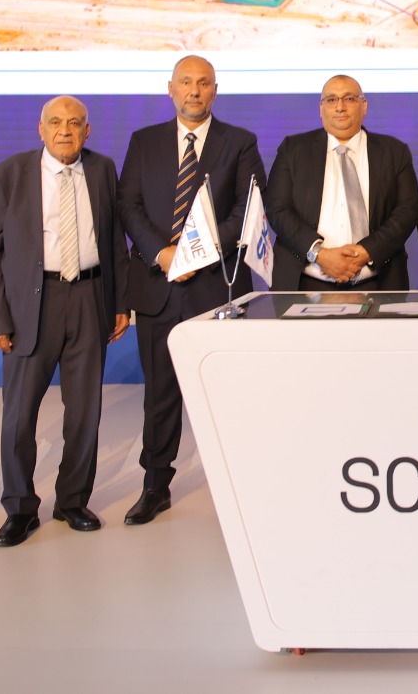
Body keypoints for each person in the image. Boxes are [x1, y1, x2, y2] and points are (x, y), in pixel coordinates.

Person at [118, 55, 265, 526]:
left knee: (226, 393)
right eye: (186, 82)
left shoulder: (240, 142)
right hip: (159, 285)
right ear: (171, 88)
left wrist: (196, 254)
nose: (194, 91)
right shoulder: (144, 141)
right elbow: (129, 205)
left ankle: (240, 486)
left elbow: (247, 208)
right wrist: (163, 255)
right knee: (160, 394)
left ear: (214, 90)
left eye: (203, 83)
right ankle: (155, 486)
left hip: (216, 287)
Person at [0, 96, 129, 547]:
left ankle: (72, 500)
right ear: (40, 129)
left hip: (89, 297)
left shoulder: (102, 170)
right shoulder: (8, 175)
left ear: (88, 131)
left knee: (84, 411)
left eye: (75, 123)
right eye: (56, 122)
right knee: (18, 416)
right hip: (30, 304)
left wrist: (120, 302)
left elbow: (113, 240)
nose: (66, 130)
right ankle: (20, 508)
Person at [265, 75, 418, 291]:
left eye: (349, 99)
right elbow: (277, 209)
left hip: (378, 283)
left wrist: (366, 251)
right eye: (331, 100)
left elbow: (407, 210)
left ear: (364, 106)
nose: (340, 107)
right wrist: (319, 254)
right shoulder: (293, 149)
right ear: (321, 109)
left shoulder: (394, 151)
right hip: (305, 283)